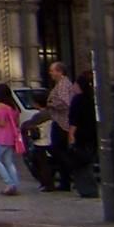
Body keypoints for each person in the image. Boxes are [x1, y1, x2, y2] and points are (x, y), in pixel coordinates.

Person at [44, 61, 76, 193]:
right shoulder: (62, 84)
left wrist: (51, 103)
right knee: (59, 150)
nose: (50, 73)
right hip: (60, 121)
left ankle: (69, 174)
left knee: (57, 150)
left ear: (59, 72)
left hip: (61, 122)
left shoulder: (63, 84)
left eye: (52, 70)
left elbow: (65, 102)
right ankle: (65, 180)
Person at [66, 71, 98, 198]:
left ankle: (86, 188)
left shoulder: (77, 100)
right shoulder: (90, 99)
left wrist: (71, 136)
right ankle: (90, 187)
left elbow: (74, 120)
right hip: (90, 134)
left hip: (80, 135)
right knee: (88, 161)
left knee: (80, 163)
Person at [0, 81, 23, 195]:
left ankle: (9, 183)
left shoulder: (1, 106)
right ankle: (15, 184)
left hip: (2, 137)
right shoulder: (14, 107)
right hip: (12, 137)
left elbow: (2, 123)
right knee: (9, 162)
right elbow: (17, 122)